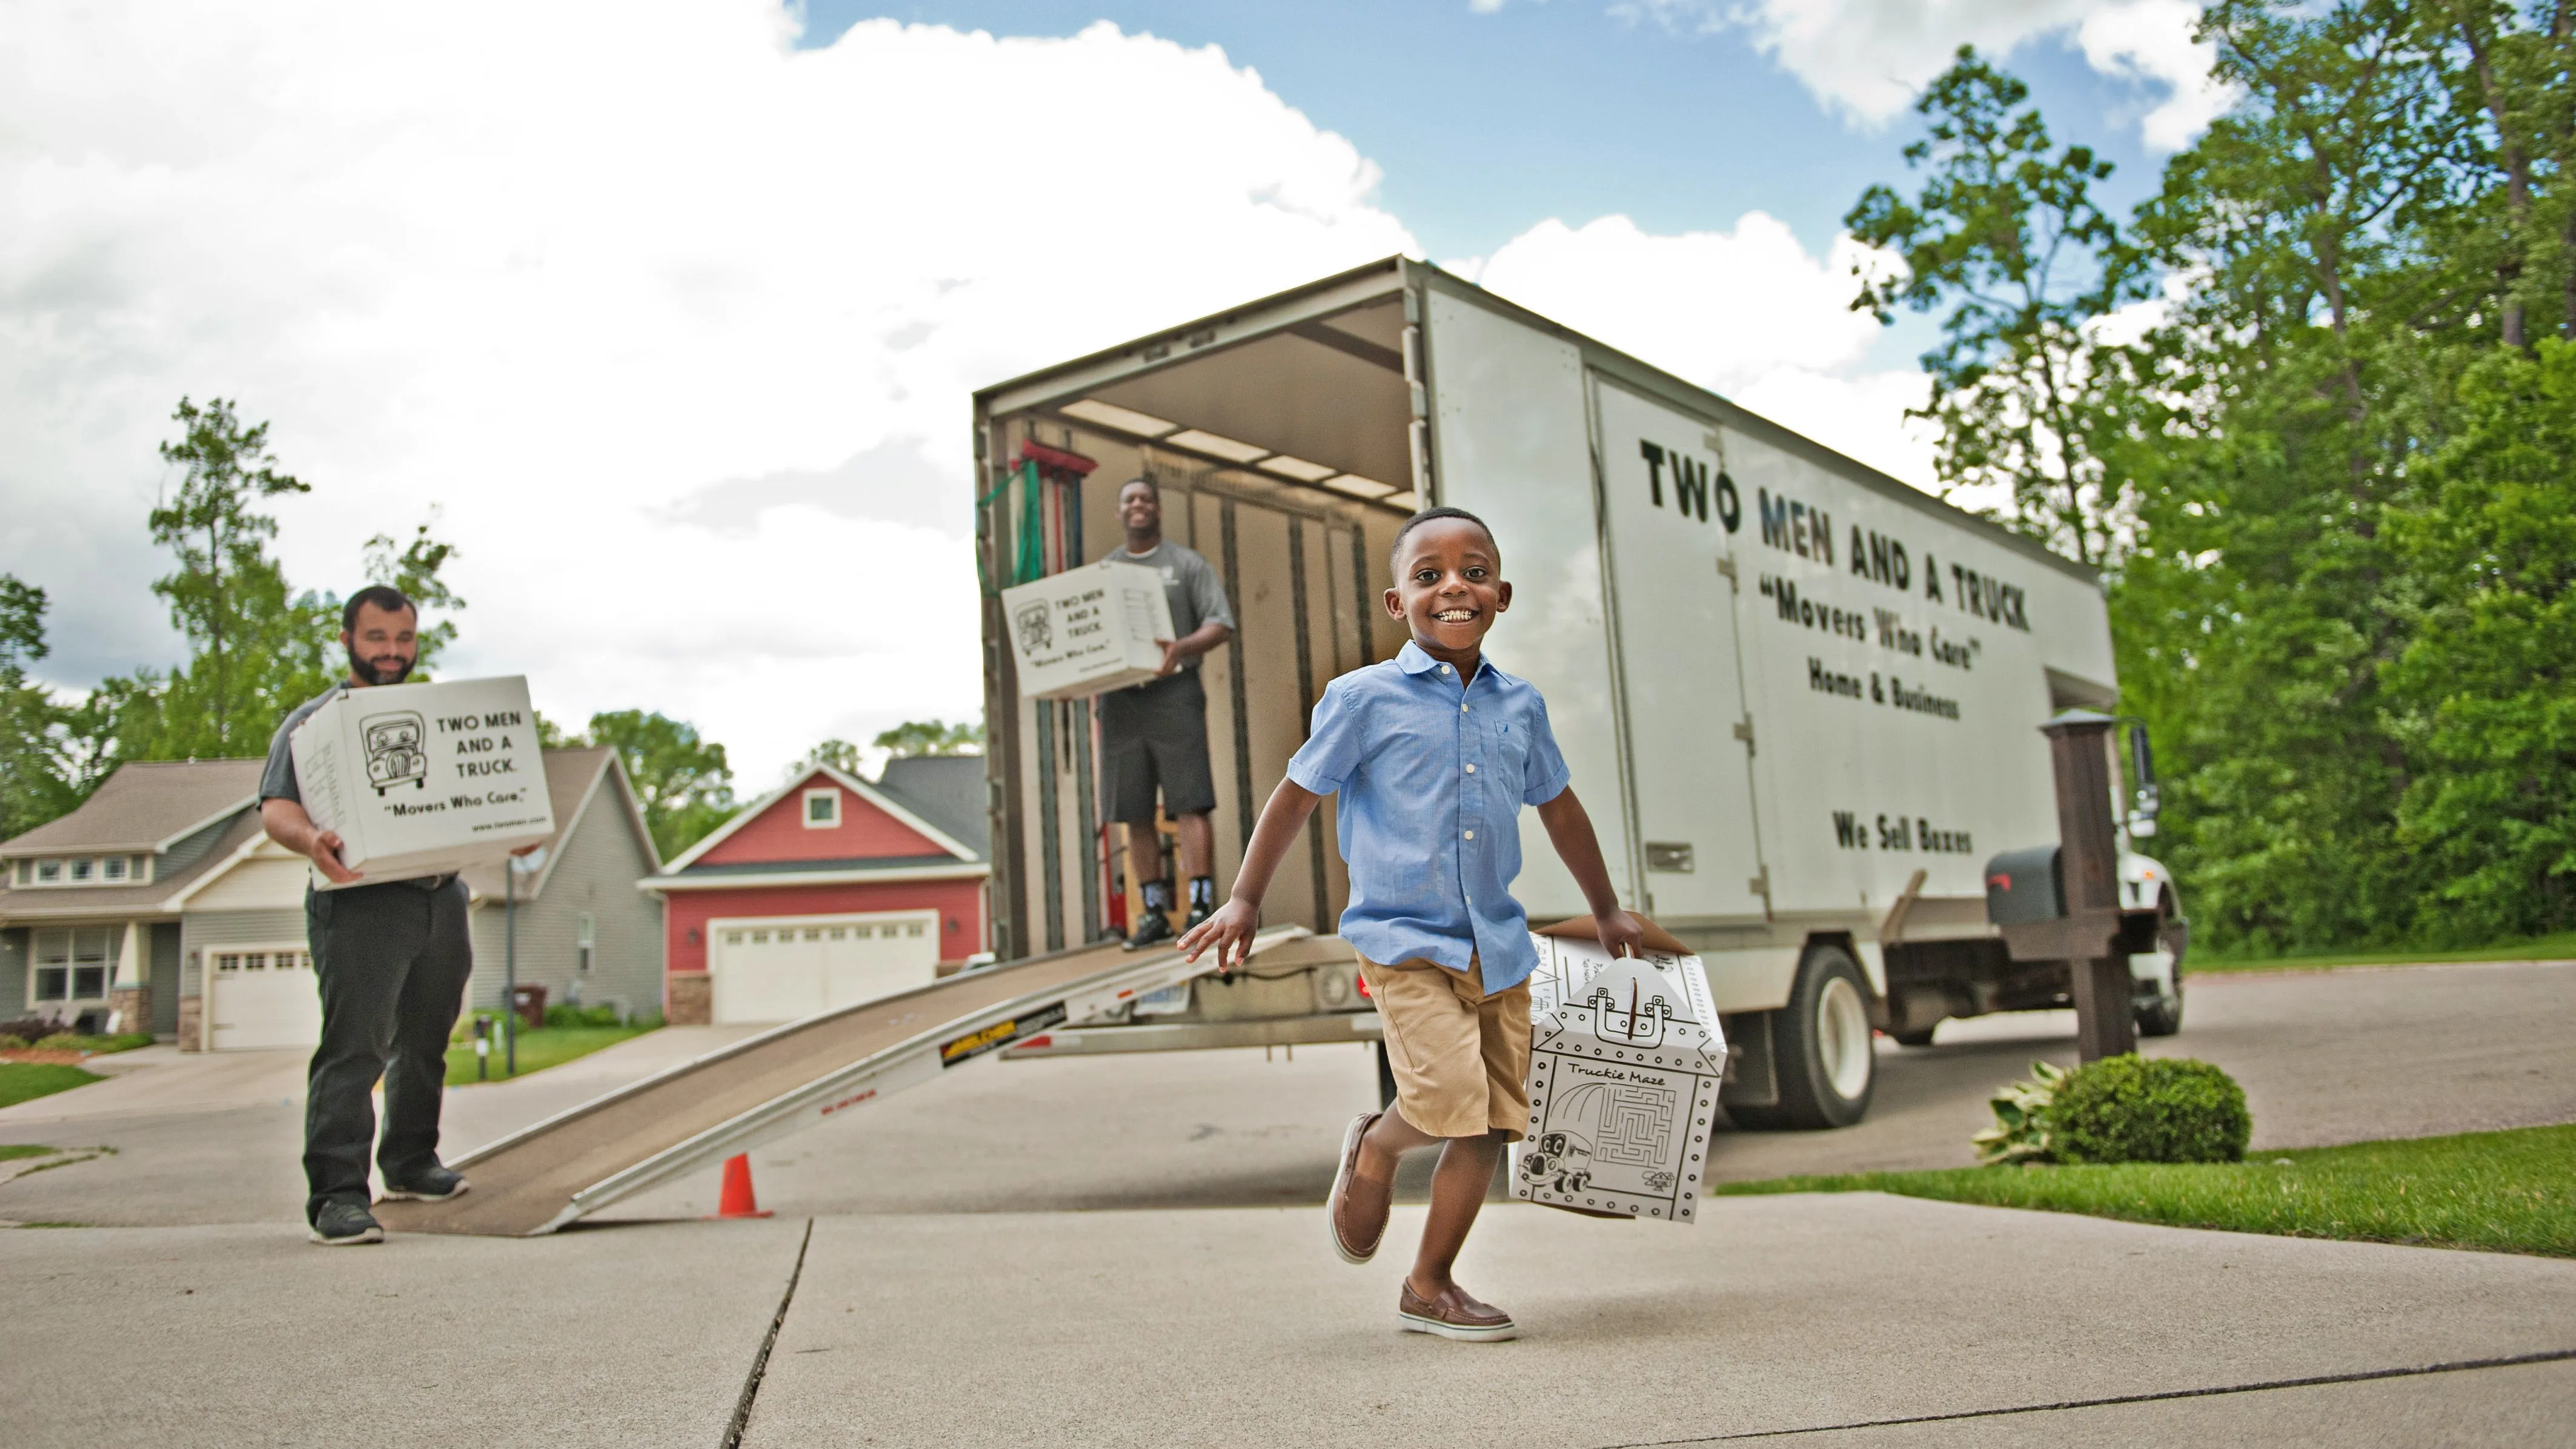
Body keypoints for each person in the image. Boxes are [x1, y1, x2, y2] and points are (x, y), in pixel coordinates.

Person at [1178, 505, 1643, 1341]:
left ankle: (1429, 1286)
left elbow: (1560, 808)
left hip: (1498, 944)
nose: (1453, 586)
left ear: (1501, 593)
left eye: (1472, 570)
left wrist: (1605, 907)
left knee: (1496, 1122)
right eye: (1428, 575)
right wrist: (1246, 896)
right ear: (1399, 603)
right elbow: (1297, 796)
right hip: (1404, 941)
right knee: (1444, 1103)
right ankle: (1379, 1150)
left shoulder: (1520, 707)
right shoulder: (1362, 699)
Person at [259, 586, 511, 1245]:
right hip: (358, 900)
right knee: (356, 1048)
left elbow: (484, 790)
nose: (392, 652)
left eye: (403, 639)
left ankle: (409, 1161)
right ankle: (338, 1196)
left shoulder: (437, 715)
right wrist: (310, 839)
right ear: (346, 640)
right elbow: (275, 808)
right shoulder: (312, 723)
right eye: (376, 639)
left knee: (426, 1040)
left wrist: (515, 823)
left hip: (440, 896)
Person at [1098, 475, 1235, 949]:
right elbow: (1086, 639)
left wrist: (1180, 648)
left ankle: (1200, 902)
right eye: (1129, 499)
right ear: (1119, 512)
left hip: (1174, 692)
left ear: (1157, 510)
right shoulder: (1104, 573)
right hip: (1120, 699)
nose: (1138, 505)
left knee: (1189, 800)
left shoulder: (1186, 564)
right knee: (1132, 806)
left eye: (1146, 499)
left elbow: (1220, 624)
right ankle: (1153, 911)